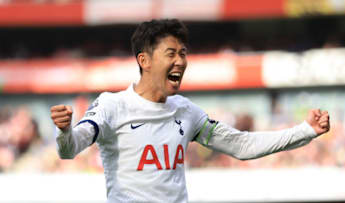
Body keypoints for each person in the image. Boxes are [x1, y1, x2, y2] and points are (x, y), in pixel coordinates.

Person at [50, 19, 330, 203]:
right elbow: (69, 149)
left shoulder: (186, 112)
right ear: (144, 60)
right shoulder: (112, 106)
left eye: (183, 53)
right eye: (171, 53)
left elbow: (243, 145)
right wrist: (64, 131)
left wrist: (305, 131)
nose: (180, 61)